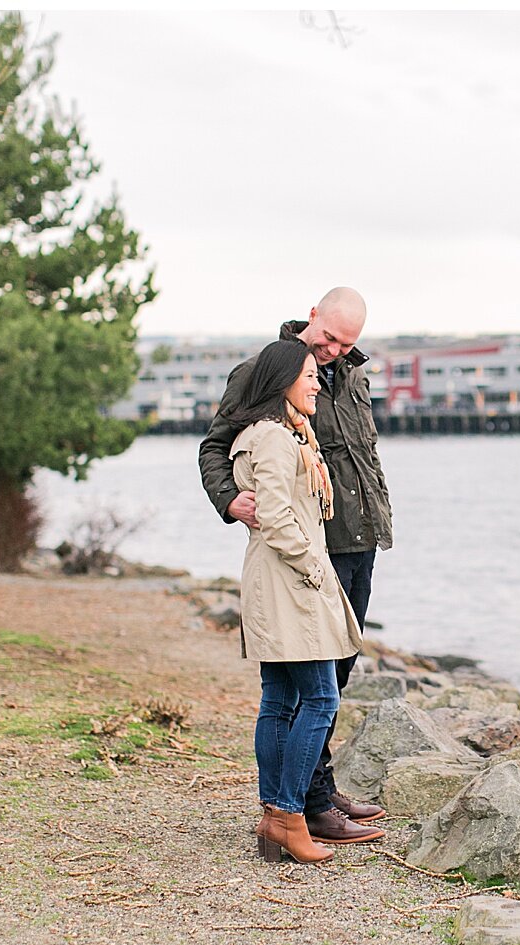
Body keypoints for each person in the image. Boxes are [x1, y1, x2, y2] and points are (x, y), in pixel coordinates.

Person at [199, 287, 394, 846]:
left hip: (358, 537)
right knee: (314, 683)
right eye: (329, 337)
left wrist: (379, 518)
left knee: (338, 671)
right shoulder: (263, 371)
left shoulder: (352, 374)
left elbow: (363, 454)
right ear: (311, 315)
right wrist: (229, 500)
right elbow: (217, 447)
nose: (334, 350)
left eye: (347, 342)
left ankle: (318, 787)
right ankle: (303, 804)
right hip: (309, 546)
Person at [226, 339, 366, 863]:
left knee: (280, 700)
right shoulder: (278, 441)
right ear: (282, 380)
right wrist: (315, 569)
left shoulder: (273, 436)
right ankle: (288, 814)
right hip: (290, 581)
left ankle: (273, 816)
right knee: (321, 698)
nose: (315, 383)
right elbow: (278, 517)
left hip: (273, 578)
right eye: (308, 375)